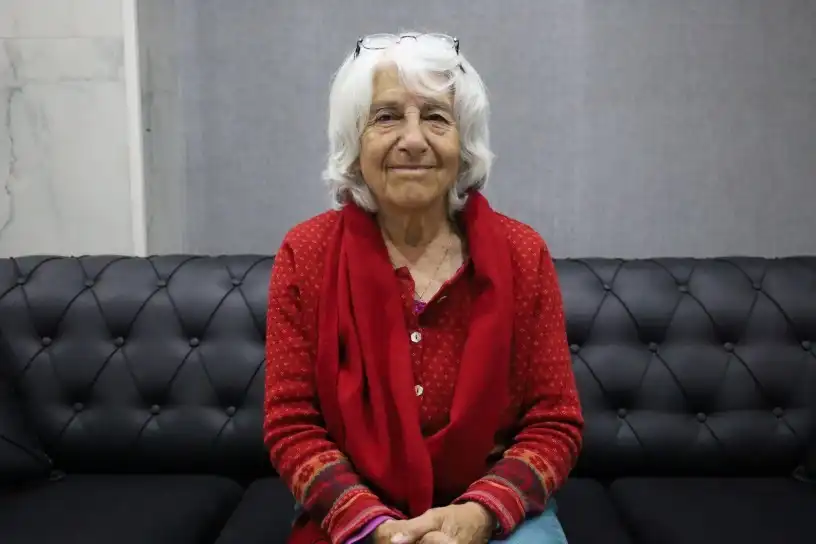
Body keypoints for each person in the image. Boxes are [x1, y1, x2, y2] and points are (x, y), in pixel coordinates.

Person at [263, 32, 583, 544]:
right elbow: (291, 426)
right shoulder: (307, 254)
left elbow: (554, 424)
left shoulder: (523, 253)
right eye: (386, 117)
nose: (413, 140)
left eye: (435, 117)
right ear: (355, 141)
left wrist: (477, 515)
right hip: (356, 513)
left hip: (494, 511)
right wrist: (376, 526)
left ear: (464, 142)